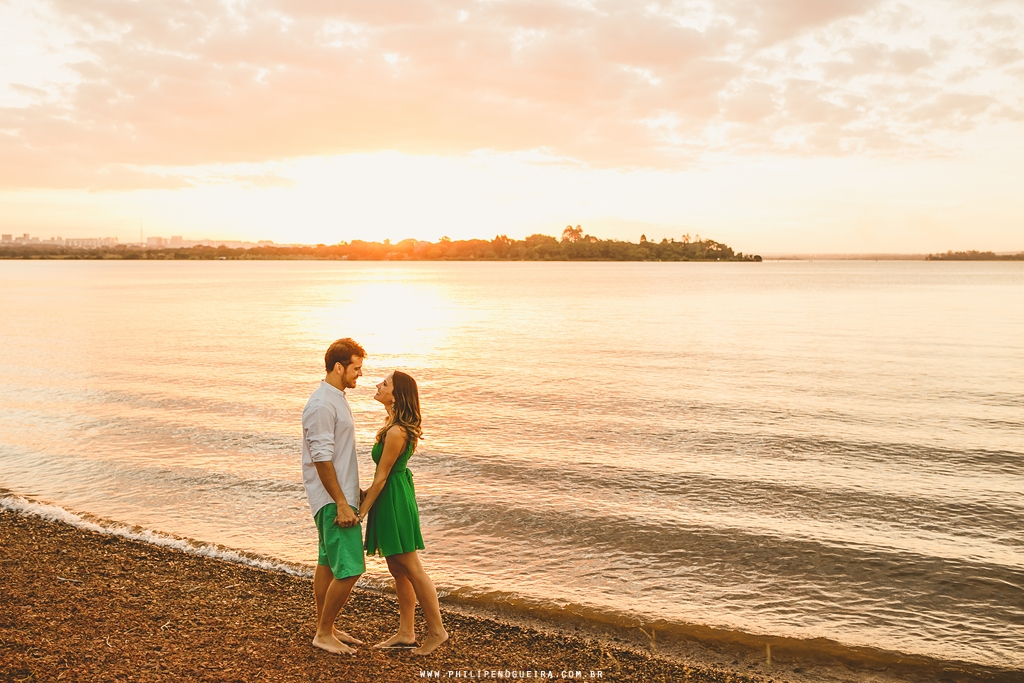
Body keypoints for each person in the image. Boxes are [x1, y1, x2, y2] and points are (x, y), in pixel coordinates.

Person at [358, 371, 449, 655]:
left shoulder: (397, 431)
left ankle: (437, 631)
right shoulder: (393, 425)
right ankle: (406, 632)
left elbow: (382, 477)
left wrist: (360, 512)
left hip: (394, 498)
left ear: (396, 395)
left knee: (412, 568)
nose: (377, 385)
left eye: (384, 384)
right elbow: (381, 477)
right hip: (392, 495)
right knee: (397, 569)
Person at [301, 338, 367, 655]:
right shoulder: (322, 405)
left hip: (339, 495)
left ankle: (325, 627)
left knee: (327, 565)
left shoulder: (336, 398)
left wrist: (355, 491)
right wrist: (341, 501)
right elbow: (321, 458)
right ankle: (324, 633)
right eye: (356, 368)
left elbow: (338, 454)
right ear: (338, 367)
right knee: (351, 568)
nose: (360, 375)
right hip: (332, 500)